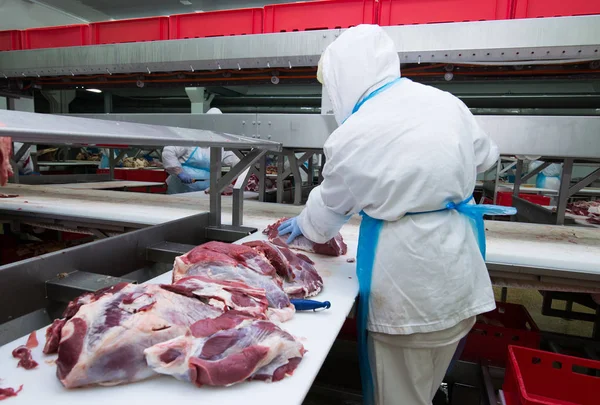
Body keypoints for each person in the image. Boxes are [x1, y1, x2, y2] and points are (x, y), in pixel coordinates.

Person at [277, 25, 515, 405]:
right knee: (426, 385)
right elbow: (487, 156)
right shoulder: (444, 101)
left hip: (409, 299)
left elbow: (324, 221)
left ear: (342, 79)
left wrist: (302, 225)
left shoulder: (354, 133)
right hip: (461, 280)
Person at [162, 108, 240, 194]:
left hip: (204, 192)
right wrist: (179, 172)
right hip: (180, 189)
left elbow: (235, 160)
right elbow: (168, 152)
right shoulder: (189, 137)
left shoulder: (219, 143)